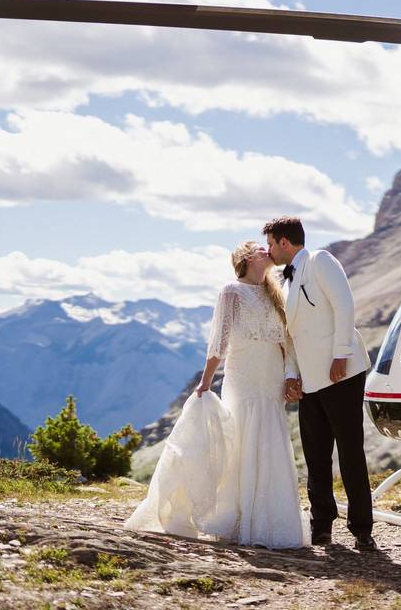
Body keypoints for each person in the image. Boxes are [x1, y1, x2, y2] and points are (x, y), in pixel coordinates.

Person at [124, 241, 307, 549]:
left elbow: (287, 342)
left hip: (270, 379)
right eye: (262, 248)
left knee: (270, 441)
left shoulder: (276, 293)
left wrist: (291, 376)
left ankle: (270, 521)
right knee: (240, 441)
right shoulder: (231, 291)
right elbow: (219, 342)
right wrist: (205, 382)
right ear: (248, 258)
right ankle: (236, 518)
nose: (269, 250)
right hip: (243, 377)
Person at [262, 216, 375, 550]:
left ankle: (361, 528)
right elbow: (291, 336)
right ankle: (321, 526)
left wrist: (341, 353)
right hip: (310, 382)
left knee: (351, 451)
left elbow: (344, 305)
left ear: (285, 242)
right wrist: (291, 375)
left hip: (341, 374)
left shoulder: (320, 261)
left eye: (271, 243)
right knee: (316, 456)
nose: (268, 251)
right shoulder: (284, 283)